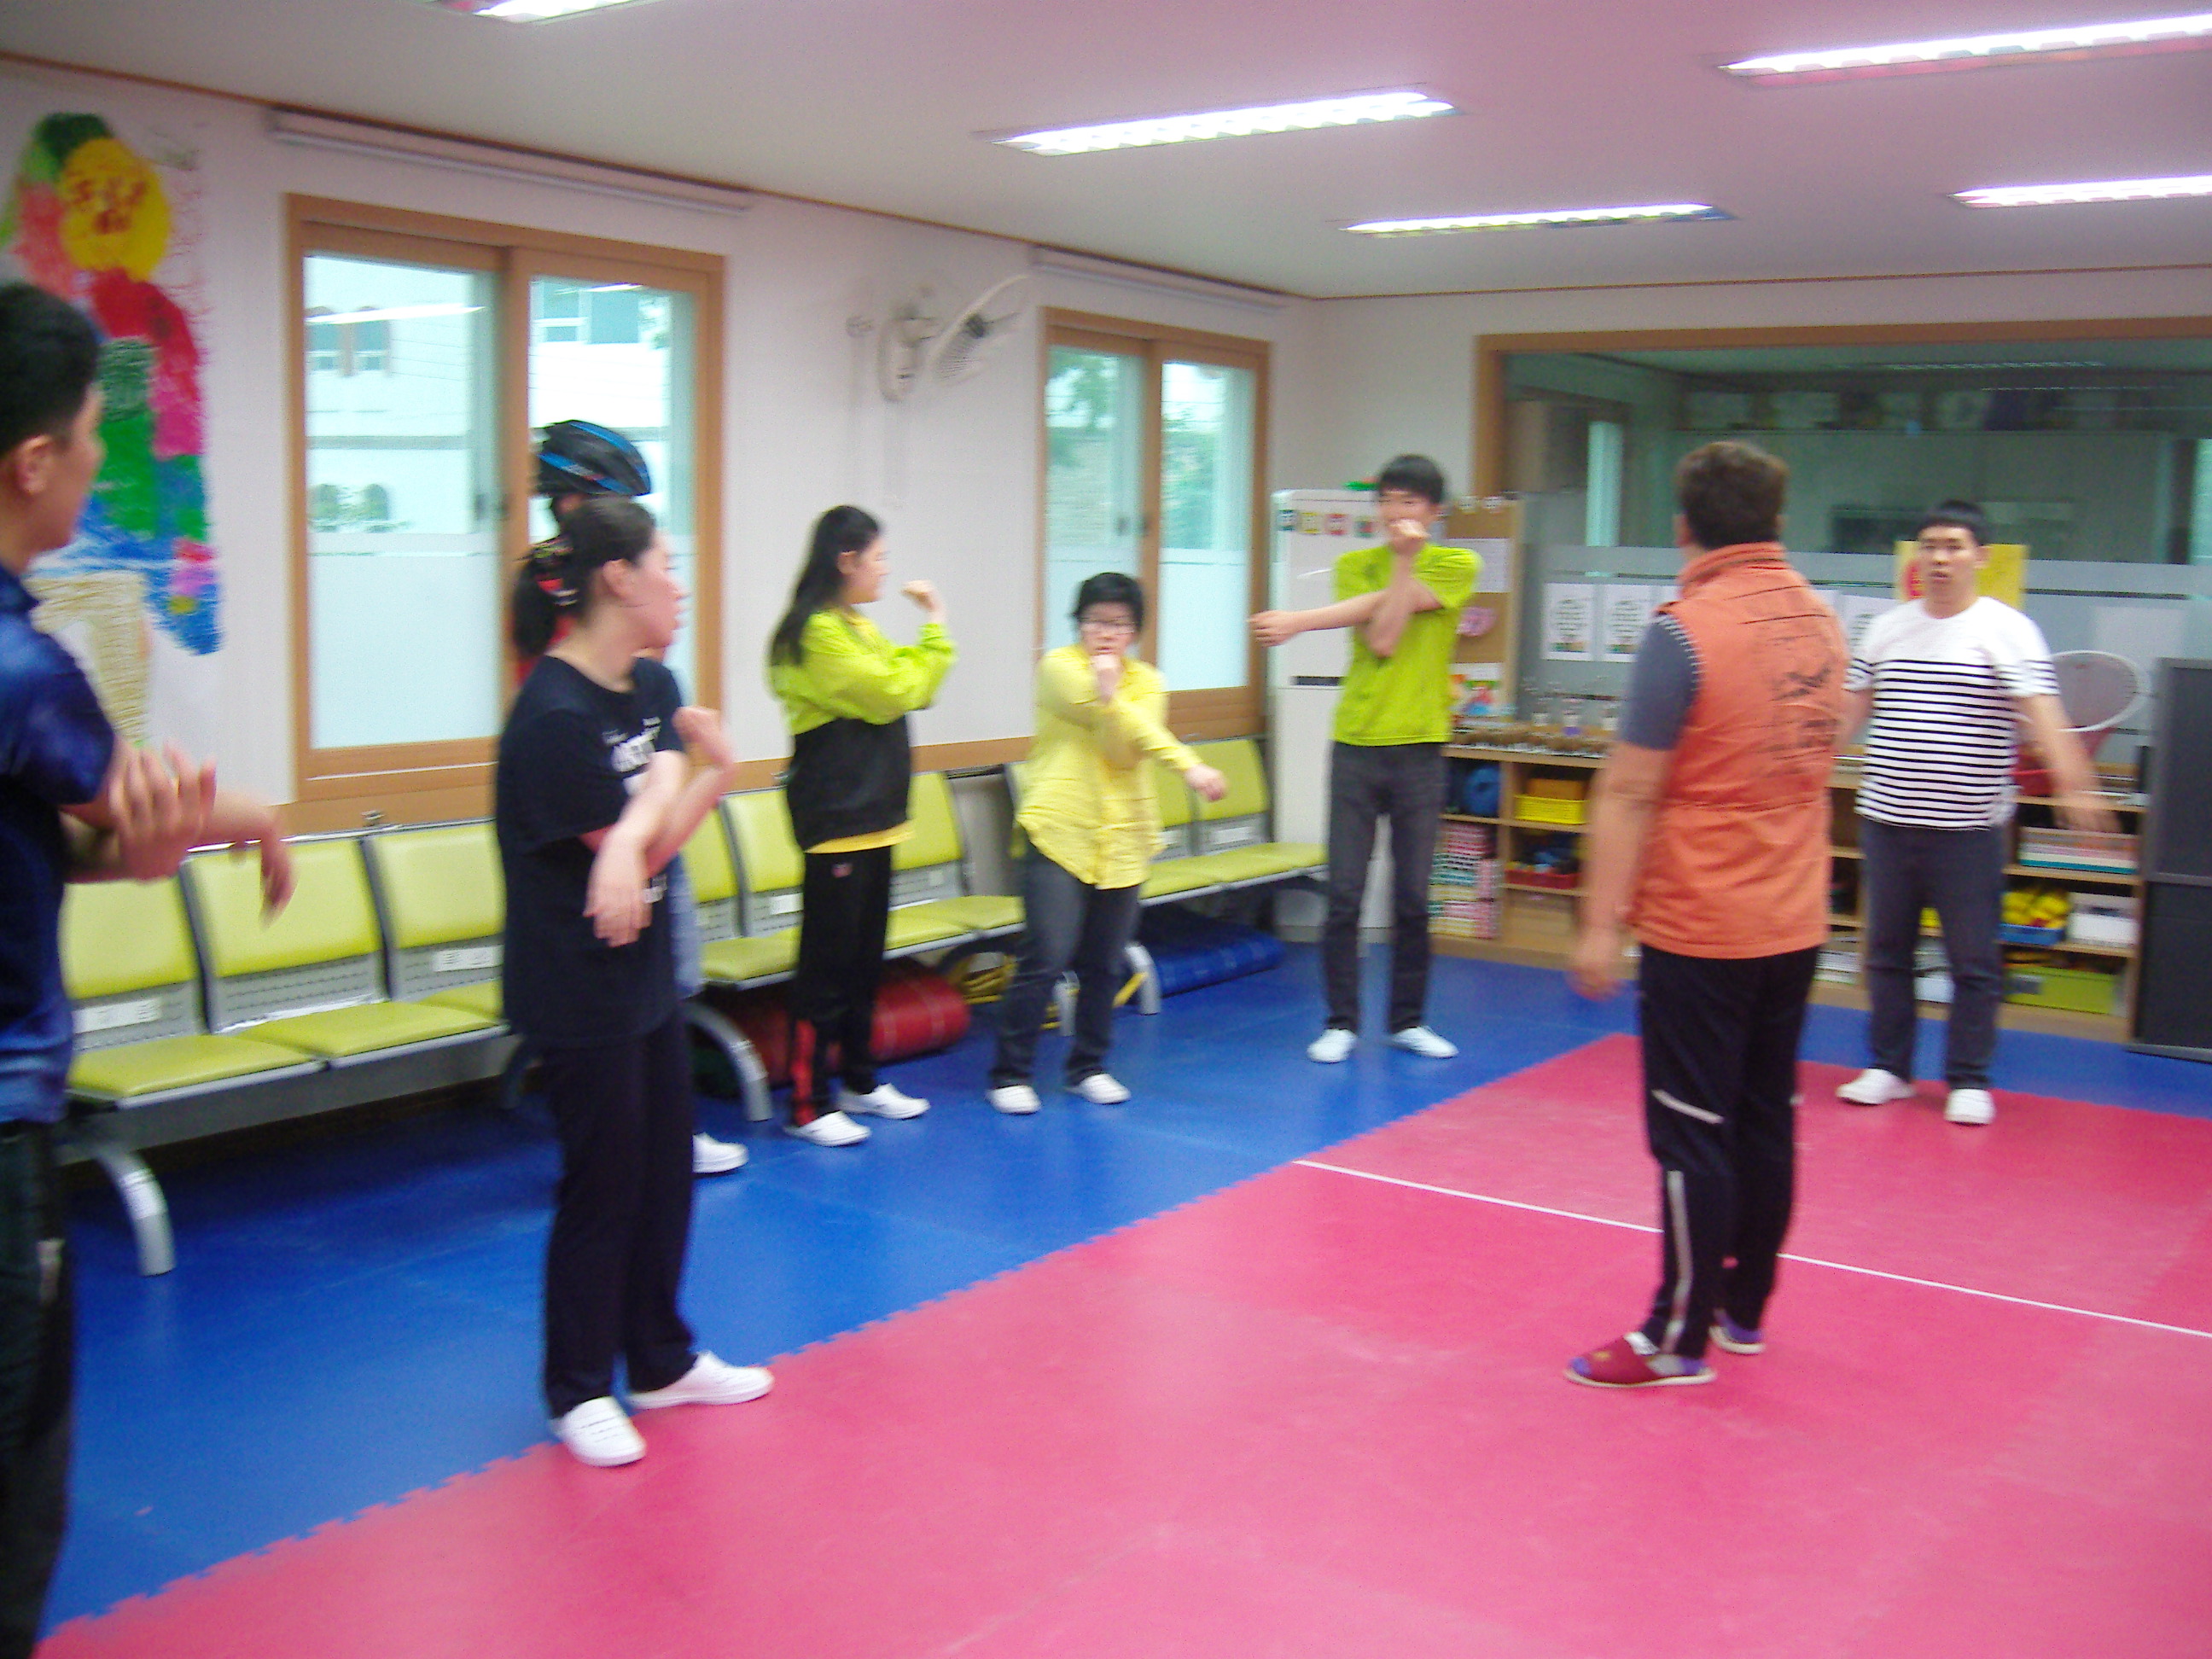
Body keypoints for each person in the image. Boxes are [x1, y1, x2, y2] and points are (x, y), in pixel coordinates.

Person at [0, 281, 292, 1651]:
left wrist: (136, 851)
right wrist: (257, 819)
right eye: (87, 439)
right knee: (20, 1465)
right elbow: (127, 799)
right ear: (33, 462)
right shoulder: (18, 661)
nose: (98, 464)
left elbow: (66, 836)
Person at [1563, 440, 1846, 1389]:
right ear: (1777, 522)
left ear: (1684, 527)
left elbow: (1629, 790)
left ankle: (1675, 1339)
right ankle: (1743, 1309)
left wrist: (1599, 925)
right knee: (1764, 1119)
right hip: (1795, 915)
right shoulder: (1822, 621)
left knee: (1692, 1132)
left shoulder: (1683, 633)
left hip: (1705, 920)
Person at [497, 494, 767, 1468]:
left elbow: (651, 851)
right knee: (603, 1187)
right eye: (667, 565)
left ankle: (660, 1359)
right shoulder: (551, 717)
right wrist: (667, 788)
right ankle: (576, 1389)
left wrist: (709, 777)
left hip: (644, 973)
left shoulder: (652, 683)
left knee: (663, 1175)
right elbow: (627, 843)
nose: (679, 587)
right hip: (576, 986)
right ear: (619, 579)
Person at [514, 421, 743, 1177]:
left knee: (666, 972)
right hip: (586, 795)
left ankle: (663, 1123)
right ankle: (629, 1130)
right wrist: (630, 829)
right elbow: (564, 694)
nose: (673, 586)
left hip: (630, 792)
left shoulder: (649, 679)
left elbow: (661, 722)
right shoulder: (550, 594)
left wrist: (651, 810)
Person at [1836, 500, 2112, 1126]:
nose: (1940, 558)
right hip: (1886, 821)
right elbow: (1850, 712)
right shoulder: (1885, 629)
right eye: (1930, 545)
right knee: (1886, 953)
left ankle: (1967, 1078)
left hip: (1967, 832)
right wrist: (1802, 768)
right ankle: (1889, 1068)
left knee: (1973, 961)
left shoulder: (2009, 630)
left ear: (1980, 557)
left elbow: (2044, 716)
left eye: (1954, 546)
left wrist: (2076, 784)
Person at [1251, 454, 1476, 1063]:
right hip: (1356, 745)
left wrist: (1302, 620)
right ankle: (1340, 1023)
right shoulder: (1354, 565)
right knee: (1346, 893)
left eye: (1408, 502)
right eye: (1386, 501)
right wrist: (1393, 567)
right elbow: (1377, 637)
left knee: (1411, 896)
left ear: (1434, 511)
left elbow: (1387, 632)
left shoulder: (1457, 564)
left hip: (1420, 749)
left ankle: (1409, 1021)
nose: (1394, 513)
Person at [987, 574, 1225, 1114]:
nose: (1106, 633)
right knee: (1046, 954)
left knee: (1105, 960)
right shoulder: (1059, 667)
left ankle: (1088, 1067)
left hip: (1124, 835)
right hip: (1060, 828)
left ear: (1135, 631)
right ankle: (1010, 1074)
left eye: (1119, 624)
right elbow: (1100, 715)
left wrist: (1114, 693)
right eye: (1095, 620)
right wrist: (1186, 763)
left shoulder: (1149, 682)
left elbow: (1123, 747)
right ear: (1079, 623)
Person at [767, 506, 954, 1146]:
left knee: (864, 964)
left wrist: (918, 662)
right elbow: (894, 692)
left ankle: (859, 1080)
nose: (885, 569)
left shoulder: (856, 624)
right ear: (845, 561)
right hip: (837, 817)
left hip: (877, 818)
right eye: (878, 558)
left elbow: (912, 685)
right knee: (826, 967)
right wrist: (935, 626)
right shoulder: (812, 633)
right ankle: (808, 1103)